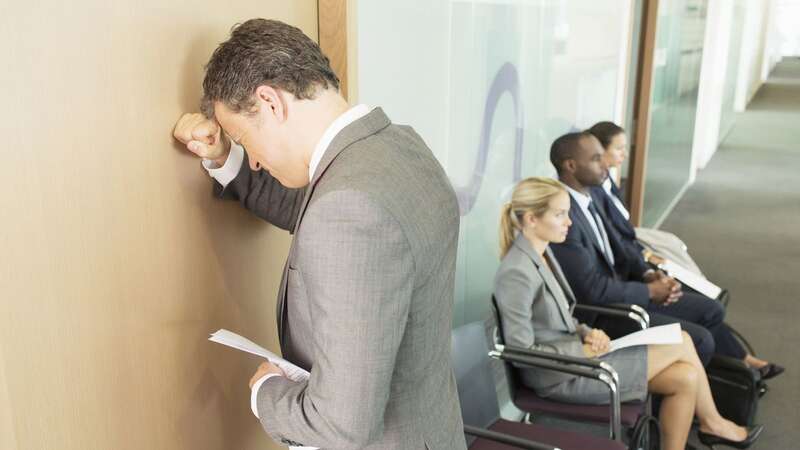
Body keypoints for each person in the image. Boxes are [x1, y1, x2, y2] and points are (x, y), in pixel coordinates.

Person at [172, 19, 465, 449]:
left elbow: (340, 427)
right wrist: (224, 156)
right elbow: (320, 212)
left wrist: (264, 393)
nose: (252, 160)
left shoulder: (347, 210)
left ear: (270, 103)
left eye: (243, 138)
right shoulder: (400, 149)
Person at [494, 177, 762, 450]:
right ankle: (713, 423)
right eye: (560, 214)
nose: (569, 222)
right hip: (559, 377)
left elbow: (561, 317)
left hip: (577, 358)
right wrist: (584, 352)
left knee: (686, 378)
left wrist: (588, 332)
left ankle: (709, 425)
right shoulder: (517, 272)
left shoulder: (543, 255)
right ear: (531, 219)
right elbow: (521, 350)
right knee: (683, 341)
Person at [548, 132, 780, 372]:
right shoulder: (564, 214)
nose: (605, 163)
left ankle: (732, 375)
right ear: (571, 165)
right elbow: (593, 290)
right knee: (700, 339)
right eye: (596, 159)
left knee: (712, 309)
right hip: (605, 314)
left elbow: (620, 242)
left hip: (627, 290)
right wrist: (648, 292)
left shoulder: (592, 193)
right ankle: (693, 391)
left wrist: (648, 274)